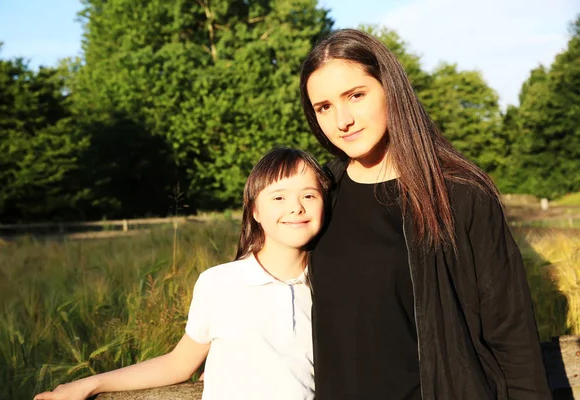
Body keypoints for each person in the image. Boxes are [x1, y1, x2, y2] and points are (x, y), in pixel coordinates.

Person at [299, 29, 551, 400]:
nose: (342, 120)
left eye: (355, 95)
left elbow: (511, 331)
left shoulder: (462, 194)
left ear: (390, 89)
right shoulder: (319, 194)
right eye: (324, 107)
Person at [34, 147, 330, 400]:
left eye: (309, 195)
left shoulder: (331, 288)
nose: (296, 208)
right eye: (278, 198)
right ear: (254, 210)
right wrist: (89, 384)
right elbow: (179, 364)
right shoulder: (220, 283)